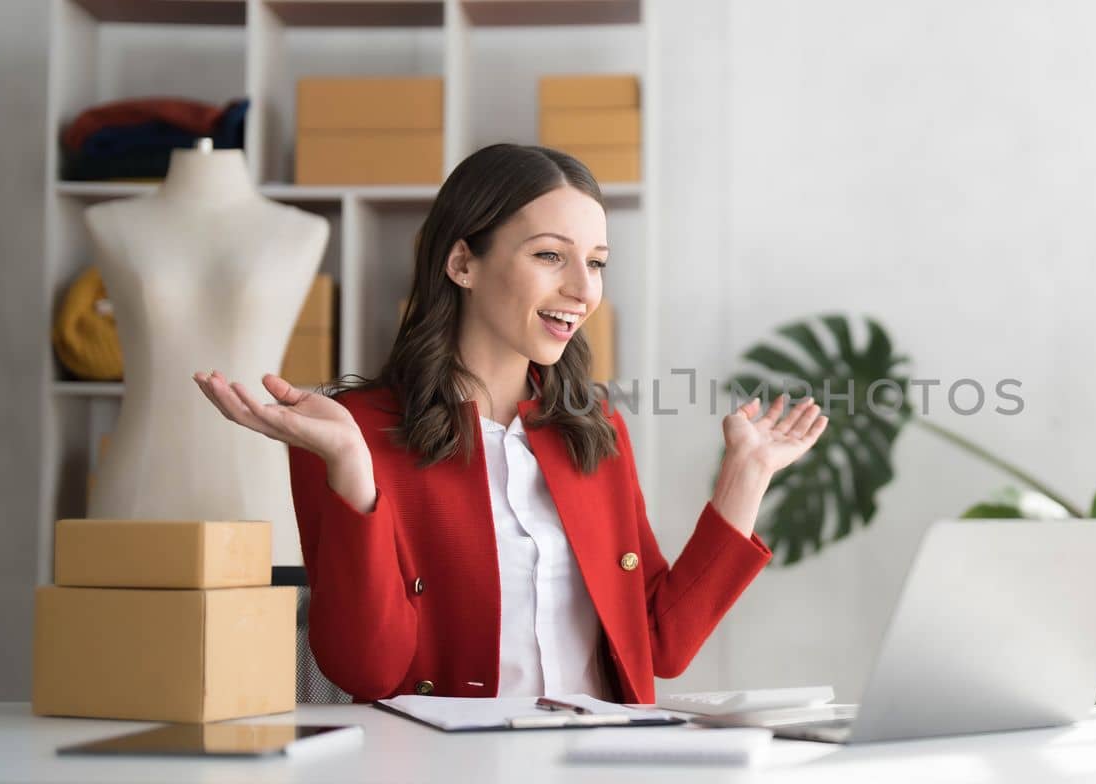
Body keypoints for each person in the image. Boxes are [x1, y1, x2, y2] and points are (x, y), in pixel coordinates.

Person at [192, 144, 827, 704]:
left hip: (603, 761)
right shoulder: (349, 432)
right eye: (551, 255)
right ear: (462, 263)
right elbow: (366, 673)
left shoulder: (593, 429)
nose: (583, 289)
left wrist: (745, 477)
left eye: (597, 262)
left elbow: (660, 645)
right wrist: (352, 470)